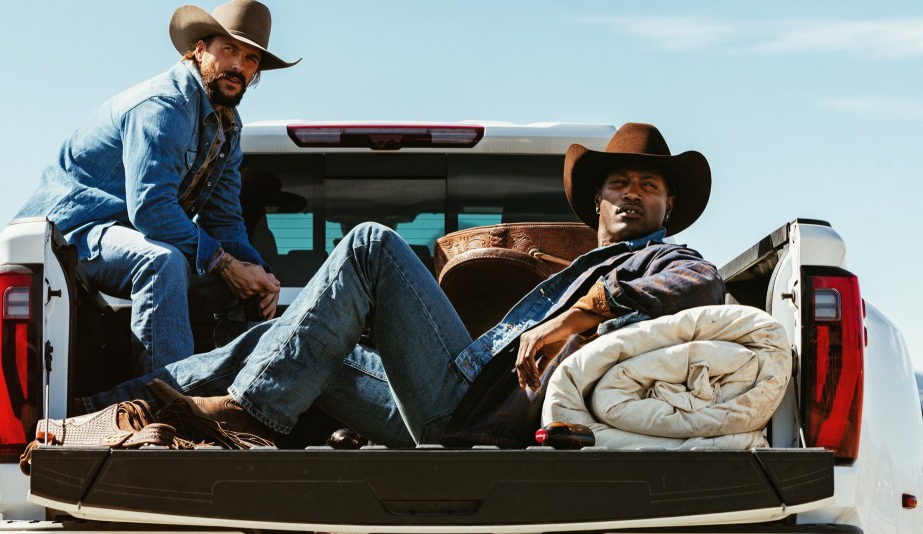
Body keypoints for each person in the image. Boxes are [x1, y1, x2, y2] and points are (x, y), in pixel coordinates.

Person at [78, 123, 726, 447]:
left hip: (485, 406)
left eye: (649, 186)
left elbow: (702, 285)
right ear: (598, 199)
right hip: (459, 402)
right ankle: (103, 411)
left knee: (369, 247)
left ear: (669, 207)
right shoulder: (579, 263)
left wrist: (574, 316)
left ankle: (253, 414)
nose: (633, 195)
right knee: (284, 336)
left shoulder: (668, 259)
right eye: (621, 182)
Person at [16, 0, 299, 376]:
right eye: (228, 50)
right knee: (162, 260)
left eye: (250, 60)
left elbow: (226, 220)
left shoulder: (229, 128)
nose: (237, 65)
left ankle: (237, 401)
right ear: (200, 50)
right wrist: (226, 263)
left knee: (242, 285)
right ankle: (169, 404)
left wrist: (257, 272)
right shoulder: (164, 105)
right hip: (72, 235)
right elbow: (152, 209)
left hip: (127, 236)